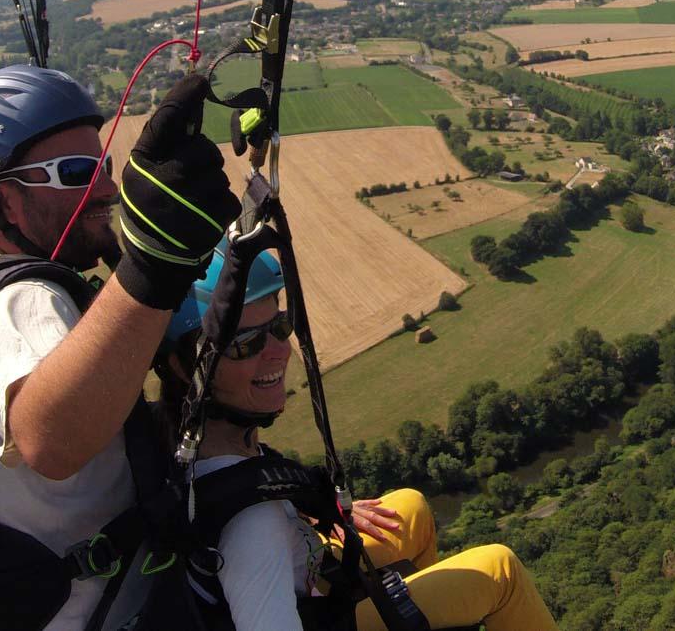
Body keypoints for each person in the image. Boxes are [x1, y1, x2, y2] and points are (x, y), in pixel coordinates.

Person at [0, 64, 241, 630]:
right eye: (75, 171)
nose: (107, 188)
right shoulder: (22, 302)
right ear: (4, 197)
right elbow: (48, 437)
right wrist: (155, 267)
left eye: (102, 164)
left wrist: (3, 151)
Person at [155, 247, 562, 631]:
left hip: (307, 570)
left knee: (412, 510)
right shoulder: (252, 529)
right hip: (315, 611)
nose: (280, 352)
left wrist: (308, 512)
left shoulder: (183, 436)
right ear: (182, 365)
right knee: (500, 571)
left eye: (279, 326)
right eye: (246, 343)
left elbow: (239, 491)